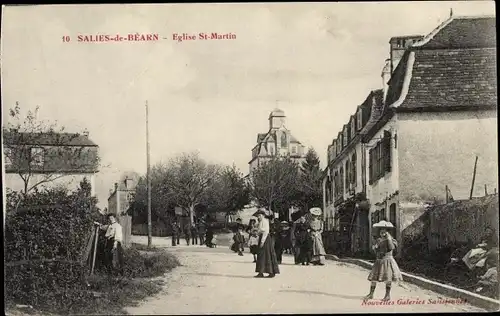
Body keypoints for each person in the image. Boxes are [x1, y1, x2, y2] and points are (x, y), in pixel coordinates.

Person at [365, 220, 403, 301]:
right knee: (373, 278)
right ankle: (371, 294)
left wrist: (389, 239)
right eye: (381, 232)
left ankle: (387, 295)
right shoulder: (379, 240)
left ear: (388, 233)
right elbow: (376, 251)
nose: (382, 234)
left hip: (387, 261)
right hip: (379, 261)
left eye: (384, 232)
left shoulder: (392, 240)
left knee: (388, 278)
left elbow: (391, 248)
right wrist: (375, 248)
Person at [254, 208, 280, 278]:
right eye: (258, 216)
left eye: (259, 215)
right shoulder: (261, 221)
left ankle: (270, 272)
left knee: (266, 255)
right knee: (262, 255)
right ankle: (261, 272)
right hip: (262, 238)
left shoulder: (265, 221)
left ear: (263, 215)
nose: (258, 217)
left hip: (265, 239)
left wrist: (262, 241)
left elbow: (265, 232)